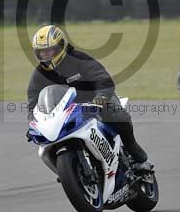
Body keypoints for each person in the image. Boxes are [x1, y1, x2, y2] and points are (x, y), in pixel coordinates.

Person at [25, 24, 152, 170]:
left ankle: (137, 155)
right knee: (45, 141)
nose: (45, 56)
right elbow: (33, 103)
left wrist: (101, 97)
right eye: (41, 53)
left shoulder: (79, 59)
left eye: (49, 51)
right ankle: (70, 171)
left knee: (116, 114)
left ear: (61, 46)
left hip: (96, 100)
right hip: (65, 111)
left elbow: (103, 79)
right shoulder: (39, 74)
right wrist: (33, 122)